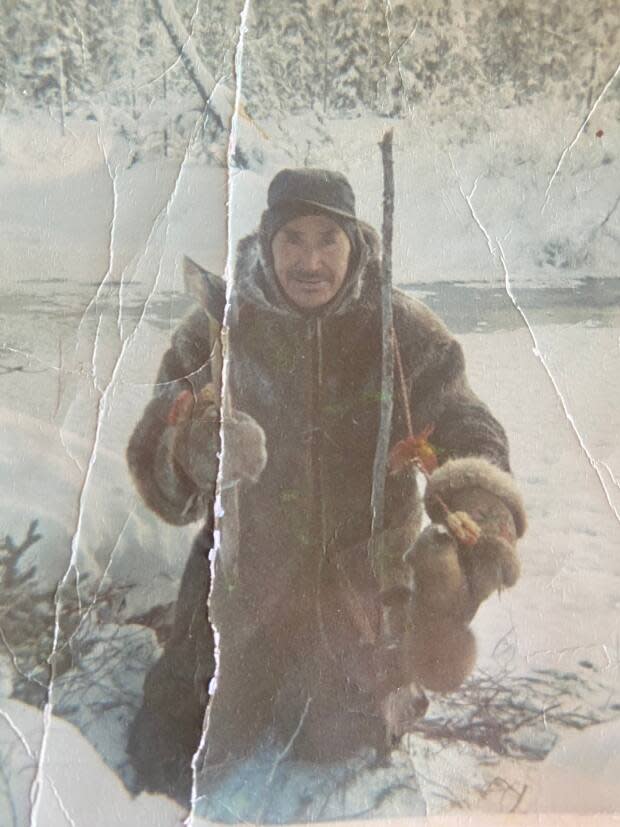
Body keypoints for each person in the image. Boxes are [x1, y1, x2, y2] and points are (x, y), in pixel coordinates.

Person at [126, 168, 526, 805]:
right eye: (293, 240)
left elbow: (468, 423)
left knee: (329, 739)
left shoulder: (403, 329)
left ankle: (382, 675)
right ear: (267, 242)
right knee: (169, 750)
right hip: (239, 585)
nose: (309, 261)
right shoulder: (215, 329)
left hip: (357, 589)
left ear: (354, 243)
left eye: (327, 240)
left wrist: (476, 506)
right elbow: (156, 459)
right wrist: (192, 450)